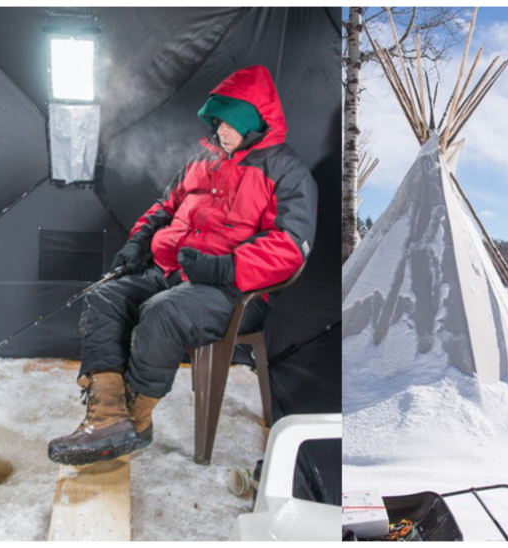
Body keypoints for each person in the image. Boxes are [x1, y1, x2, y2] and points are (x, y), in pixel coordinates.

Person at [48, 65, 317, 465]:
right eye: (217, 122)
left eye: (229, 124)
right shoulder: (202, 159)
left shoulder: (287, 173)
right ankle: (107, 417)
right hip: (170, 271)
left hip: (232, 290)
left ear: (254, 122)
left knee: (162, 313)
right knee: (105, 297)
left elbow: (290, 247)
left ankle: (135, 422)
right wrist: (140, 242)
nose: (220, 131)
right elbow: (164, 207)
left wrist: (225, 269)